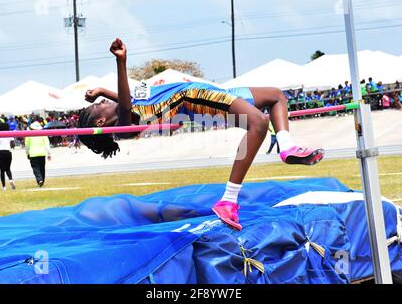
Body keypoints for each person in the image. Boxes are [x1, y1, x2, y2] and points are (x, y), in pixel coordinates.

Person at [77, 38, 324, 230]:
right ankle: (228, 200)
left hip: (206, 90)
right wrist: (121, 61)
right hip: (193, 97)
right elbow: (126, 104)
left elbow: (124, 99)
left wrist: (102, 90)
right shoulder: (125, 124)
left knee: (275, 95)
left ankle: (286, 146)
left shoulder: (124, 107)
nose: (102, 101)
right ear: (100, 120)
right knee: (258, 122)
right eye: (98, 105)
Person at [25, 121, 51, 187]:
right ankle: (42, 180)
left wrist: (27, 153)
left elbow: (27, 145)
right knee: (42, 168)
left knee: (35, 168)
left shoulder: (29, 134)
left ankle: (39, 180)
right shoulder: (43, 133)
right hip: (42, 153)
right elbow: (47, 144)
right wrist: (49, 154)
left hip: (33, 154)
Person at [0, 122, 16, 191]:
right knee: (8, 168)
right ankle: (11, 180)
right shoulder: (9, 133)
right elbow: (13, 144)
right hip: (8, 152)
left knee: (2, 170)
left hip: (0, 152)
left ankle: (4, 187)